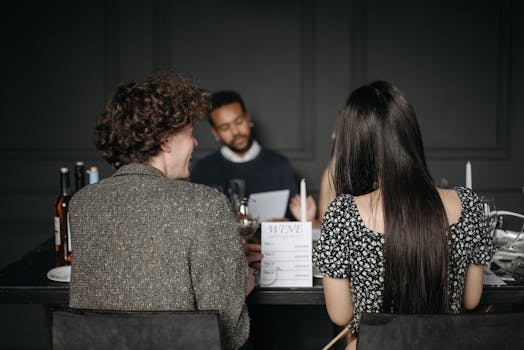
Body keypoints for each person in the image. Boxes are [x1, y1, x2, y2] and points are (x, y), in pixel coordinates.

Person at [68, 72, 261, 350]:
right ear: (166, 141)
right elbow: (229, 333)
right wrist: (239, 281)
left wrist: (224, 259)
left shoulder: (82, 203)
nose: (195, 143)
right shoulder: (205, 203)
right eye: (190, 133)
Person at [312, 81, 495, 349]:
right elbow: (471, 299)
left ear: (356, 146)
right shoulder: (468, 203)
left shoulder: (343, 213)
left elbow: (341, 315)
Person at [190, 90, 299, 218]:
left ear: (248, 118)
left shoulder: (280, 165)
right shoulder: (203, 169)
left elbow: (295, 219)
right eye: (225, 128)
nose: (235, 132)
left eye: (239, 122)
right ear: (215, 133)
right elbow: (196, 220)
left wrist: (287, 224)